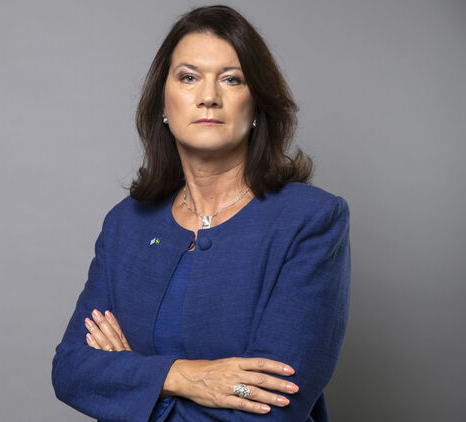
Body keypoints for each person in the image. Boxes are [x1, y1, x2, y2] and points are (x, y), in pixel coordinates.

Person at [51, 5, 350, 422]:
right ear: (163, 103)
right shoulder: (126, 225)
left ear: (257, 105)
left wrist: (133, 383)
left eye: (232, 79)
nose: (209, 96)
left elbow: (271, 410)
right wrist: (184, 377)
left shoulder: (310, 220)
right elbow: (71, 370)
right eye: (189, 77)